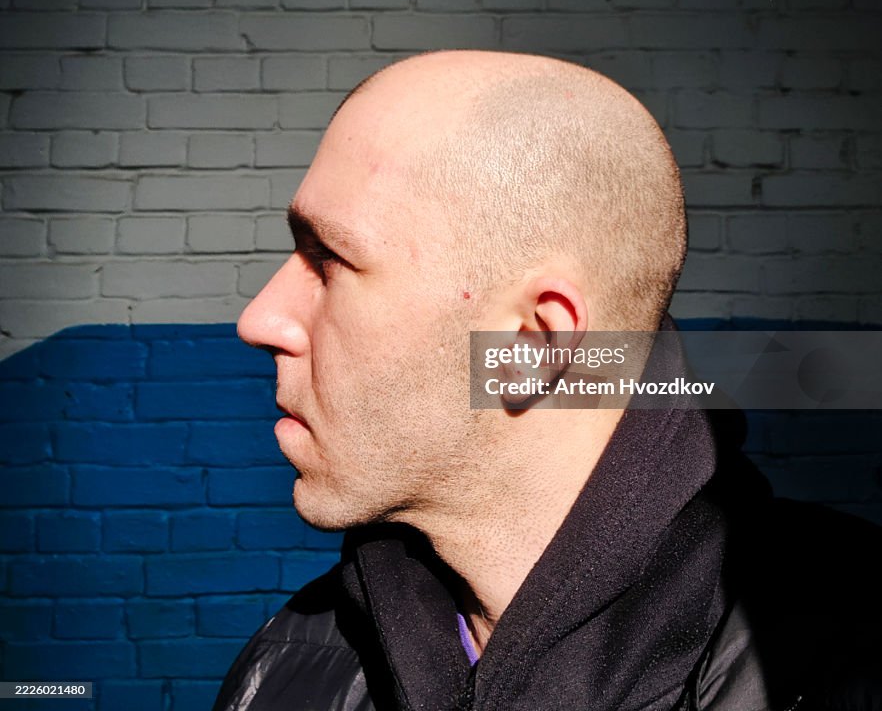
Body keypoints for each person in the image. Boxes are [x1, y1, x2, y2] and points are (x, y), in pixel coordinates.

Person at [213, 50, 880, 711]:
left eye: (329, 259)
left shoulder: (838, 664)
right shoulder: (289, 667)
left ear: (534, 341)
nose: (260, 319)